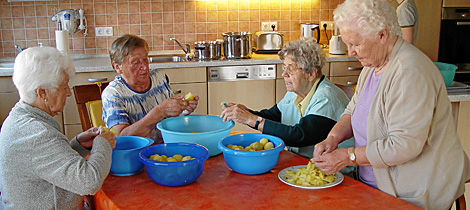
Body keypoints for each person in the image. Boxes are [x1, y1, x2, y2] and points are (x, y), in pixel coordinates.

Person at [312, 0, 470, 209]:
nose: (350, 52)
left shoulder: (409, 72)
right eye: (348, 44)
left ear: (382, 35)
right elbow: (353, 110)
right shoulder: (373, 63)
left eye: (355, 44)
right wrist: (332, 138)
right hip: (372, 186)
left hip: (412, 193)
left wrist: (348, 156)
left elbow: (404, 144)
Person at [0, 47, 116, 209]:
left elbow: (46, 164)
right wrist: (103, 144)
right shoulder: (37, 134)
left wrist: (78, 145)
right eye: (64, 86)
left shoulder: (19, 117)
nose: (69, 93)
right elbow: (89, 182)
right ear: (42, 93)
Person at [220, 38, 354, 161]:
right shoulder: (295, 93)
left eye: (291, 69)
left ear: (311, 73)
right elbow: (273, 116)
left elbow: (300, 135)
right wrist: (244, 113)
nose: (284, 74)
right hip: (303, 163)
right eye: (284, 67)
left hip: (334, 172)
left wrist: (251, 119)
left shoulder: (327, 98)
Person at [102, 34, 199, 141]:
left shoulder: (159, 78)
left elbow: (168, 120)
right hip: (135, 154)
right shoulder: (113, 94)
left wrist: (182, 109)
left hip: (164, 146)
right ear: (117, 67)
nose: (144, 66)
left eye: (145, 59)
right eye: (135, 62)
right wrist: (159, 112)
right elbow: (120, 138)